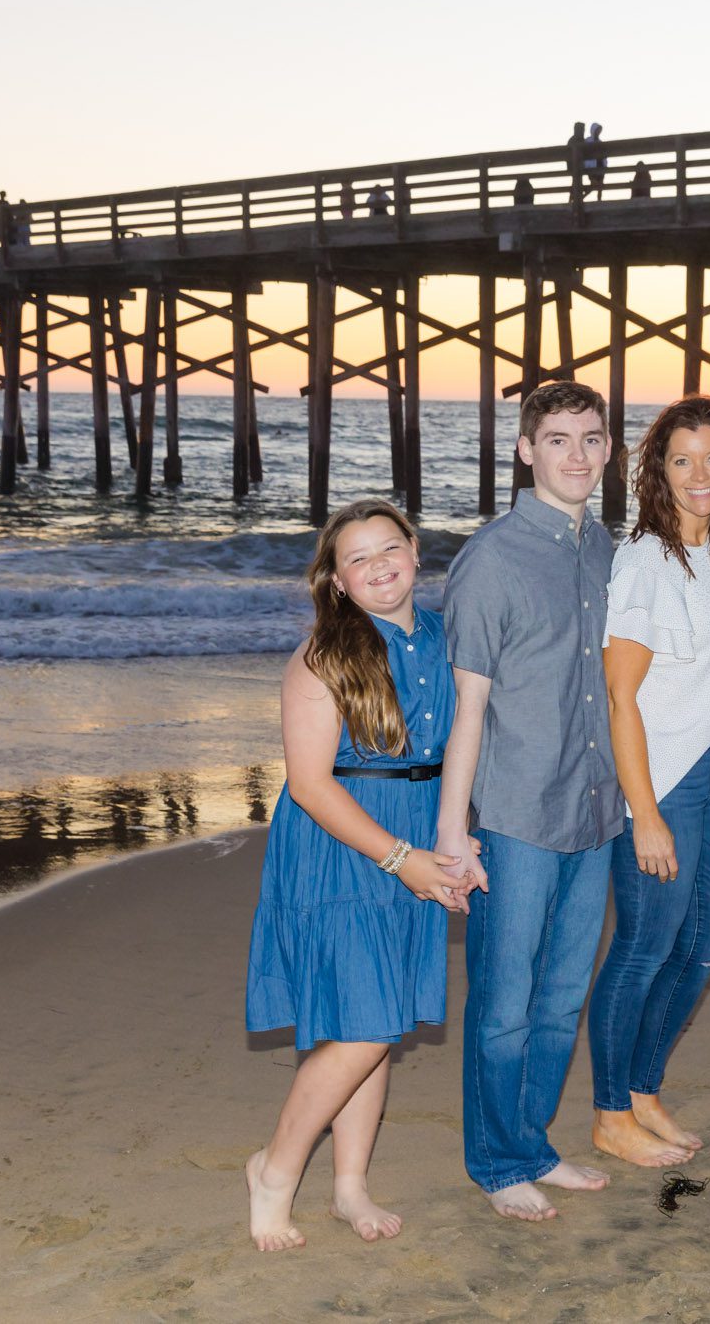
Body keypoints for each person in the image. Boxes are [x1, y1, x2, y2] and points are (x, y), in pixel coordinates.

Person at [243, 499, 476, 1250]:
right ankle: (274, 1172)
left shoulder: (445, 637)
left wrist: (451, 840)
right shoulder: (324, 655)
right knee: (366, 1020)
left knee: (377, 1023)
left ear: (415, 550)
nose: (379, 564)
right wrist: (399, 857)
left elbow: (465, 742)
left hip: (418, 829)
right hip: (342, 841)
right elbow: (310, 783)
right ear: (337, 580)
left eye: (389, 547)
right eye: (358, 557)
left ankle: (349, 1187)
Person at [438, 380, 621, 1222]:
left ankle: (534, 1142)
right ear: (524, 449)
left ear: (609, 450)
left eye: (590, 439)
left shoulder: (606, 549)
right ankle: (496, 1159)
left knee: (559, 998)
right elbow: (467, 705)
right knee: (505, 1003)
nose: (575, 455)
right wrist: (454, 833)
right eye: (557, 439)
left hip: (593, 811)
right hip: (514, 818)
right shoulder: (494, 557)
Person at [586, 394, 710, 1168]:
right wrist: (643, 812)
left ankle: (642, 1088)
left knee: (709, 945)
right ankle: (610, 1112)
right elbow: (621, 695)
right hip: (663, 782)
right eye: (680, 459)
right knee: (645, 946)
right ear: (657, 469)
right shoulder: (648, 559)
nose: (698, 473)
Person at [583, 123, 607, 200]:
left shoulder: (600, 142)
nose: (598, 132)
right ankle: (580, 198)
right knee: (594, 185)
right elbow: (585, 153)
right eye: (597, 130)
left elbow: (604, 154)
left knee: (600, 186)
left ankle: (599, 201)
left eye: (599, 131)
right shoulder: (588, 141)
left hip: (601, 165)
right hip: (591, 166)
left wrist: (605, 164)